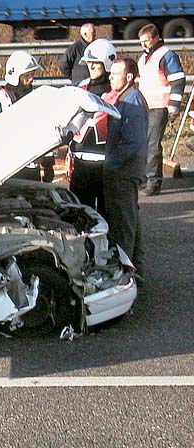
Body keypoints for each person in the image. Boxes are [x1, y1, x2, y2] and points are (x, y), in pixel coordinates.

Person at [103, 58, 147, 274]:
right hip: (124, 169)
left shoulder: (133, 102)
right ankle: (135, 266)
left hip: (124, 172)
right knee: (130, 220)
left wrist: (110, 164)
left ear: (129, 77)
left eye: (115, 73)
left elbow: (132, 141)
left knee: (123, 224)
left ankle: (125, 274)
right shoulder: (125, 98)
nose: (110, 77)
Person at [0, 51, 54, 181]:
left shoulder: (38, 99)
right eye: (27, 75)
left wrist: (48, 164)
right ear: (15, 76)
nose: (31, 79)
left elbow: (46, 131)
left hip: (32, 167)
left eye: (32, 75)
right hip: (6, 170)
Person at [67, 39, 118, 210]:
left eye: (95, 64)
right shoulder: (82, 87)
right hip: (81, 161)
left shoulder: (116, 92)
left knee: (107, 212)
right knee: (81, 211)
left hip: (106, 164)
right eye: (89, 64)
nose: (91, 68)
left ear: (107, 64)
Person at [137, 23, 185, 196]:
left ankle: (153, 182)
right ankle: (144, 178)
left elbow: (178, 81)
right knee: (143, 144)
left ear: (156, 38)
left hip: (159, 107)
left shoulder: (166, 55)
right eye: (141, 41)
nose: (143, 44)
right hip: (145, 106)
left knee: (152, 146)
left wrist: (173, 106)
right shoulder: (144, 58)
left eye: (146, 40)